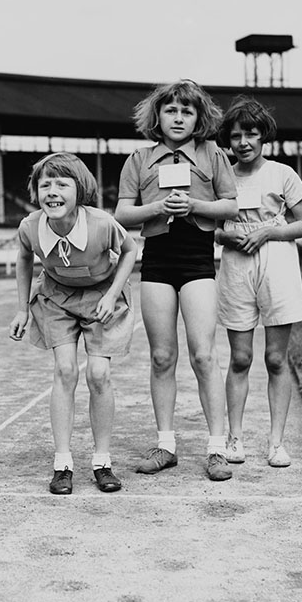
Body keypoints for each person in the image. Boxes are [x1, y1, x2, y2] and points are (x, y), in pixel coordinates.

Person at [115, 79, 239, 481]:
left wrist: (195, 205)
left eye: (187, 111)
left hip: (197, 259)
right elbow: (122, 214)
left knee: (204, 355)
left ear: (199, 117)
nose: (179, 117)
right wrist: (156, 207)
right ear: (158, 115)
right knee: (162, 356)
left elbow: (231, 206)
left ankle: (216, 449)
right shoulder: (139, 159)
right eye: (171, 110)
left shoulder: (213, 155)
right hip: (157, 260)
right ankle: (166, 446)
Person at [10, 152, 138, 495]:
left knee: (99, 374)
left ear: (79, 190)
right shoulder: (30, 226)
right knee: (65, 370)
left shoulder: (101, 223)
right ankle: (62, 464)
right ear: (35, 191)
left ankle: (102, 461)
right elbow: (24, 257)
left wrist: (112, 294)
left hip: (101, 296)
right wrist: (22, 309)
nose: (52, 191)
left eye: (62, 184)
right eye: (45, 184)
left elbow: (130, 250)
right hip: (56, 296)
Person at [213, 96, 302, 468]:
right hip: (237, 264)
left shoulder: (282, 173)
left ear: (263, 136)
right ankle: (235, 438)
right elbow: (212, 228)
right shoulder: (222, 175)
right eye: (236, 136)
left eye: (251, 134)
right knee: (240, 358)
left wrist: (269, 232)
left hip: (277, 262)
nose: (243, 143)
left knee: (275, 358)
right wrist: (226, 237)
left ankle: (276, 443)